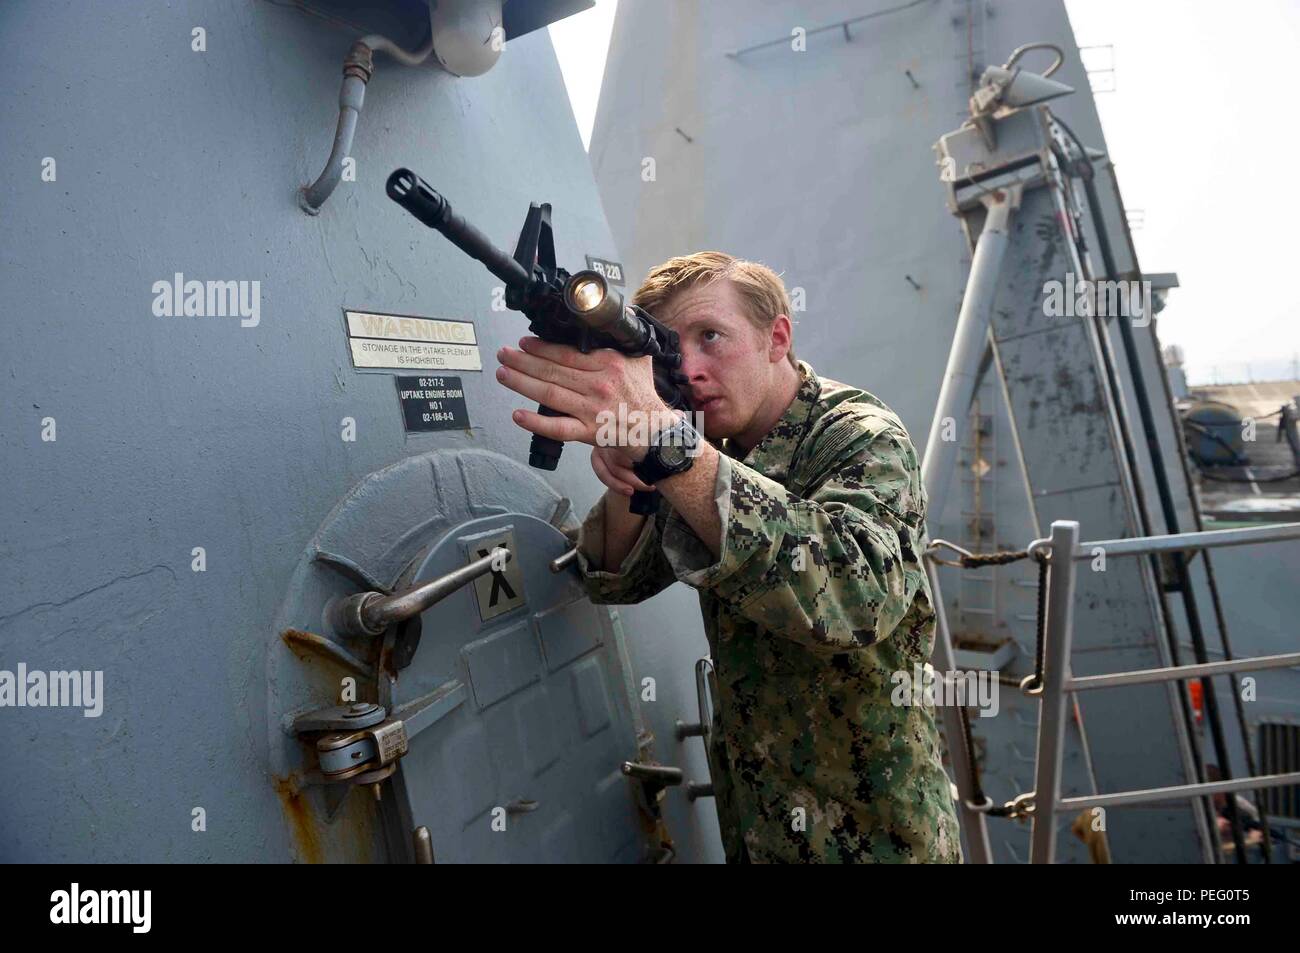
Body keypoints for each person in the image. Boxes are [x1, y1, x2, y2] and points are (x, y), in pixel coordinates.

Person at [494, 251, 961, 863]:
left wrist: (664, 442)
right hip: (758, 824)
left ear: (777, 338)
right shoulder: (709, 446)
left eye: (710, 336)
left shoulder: (859, 433)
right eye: (670, 347)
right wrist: (629, 475)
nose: (689, 368)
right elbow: (614, 580)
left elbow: (857, 599)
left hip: (874, 835)